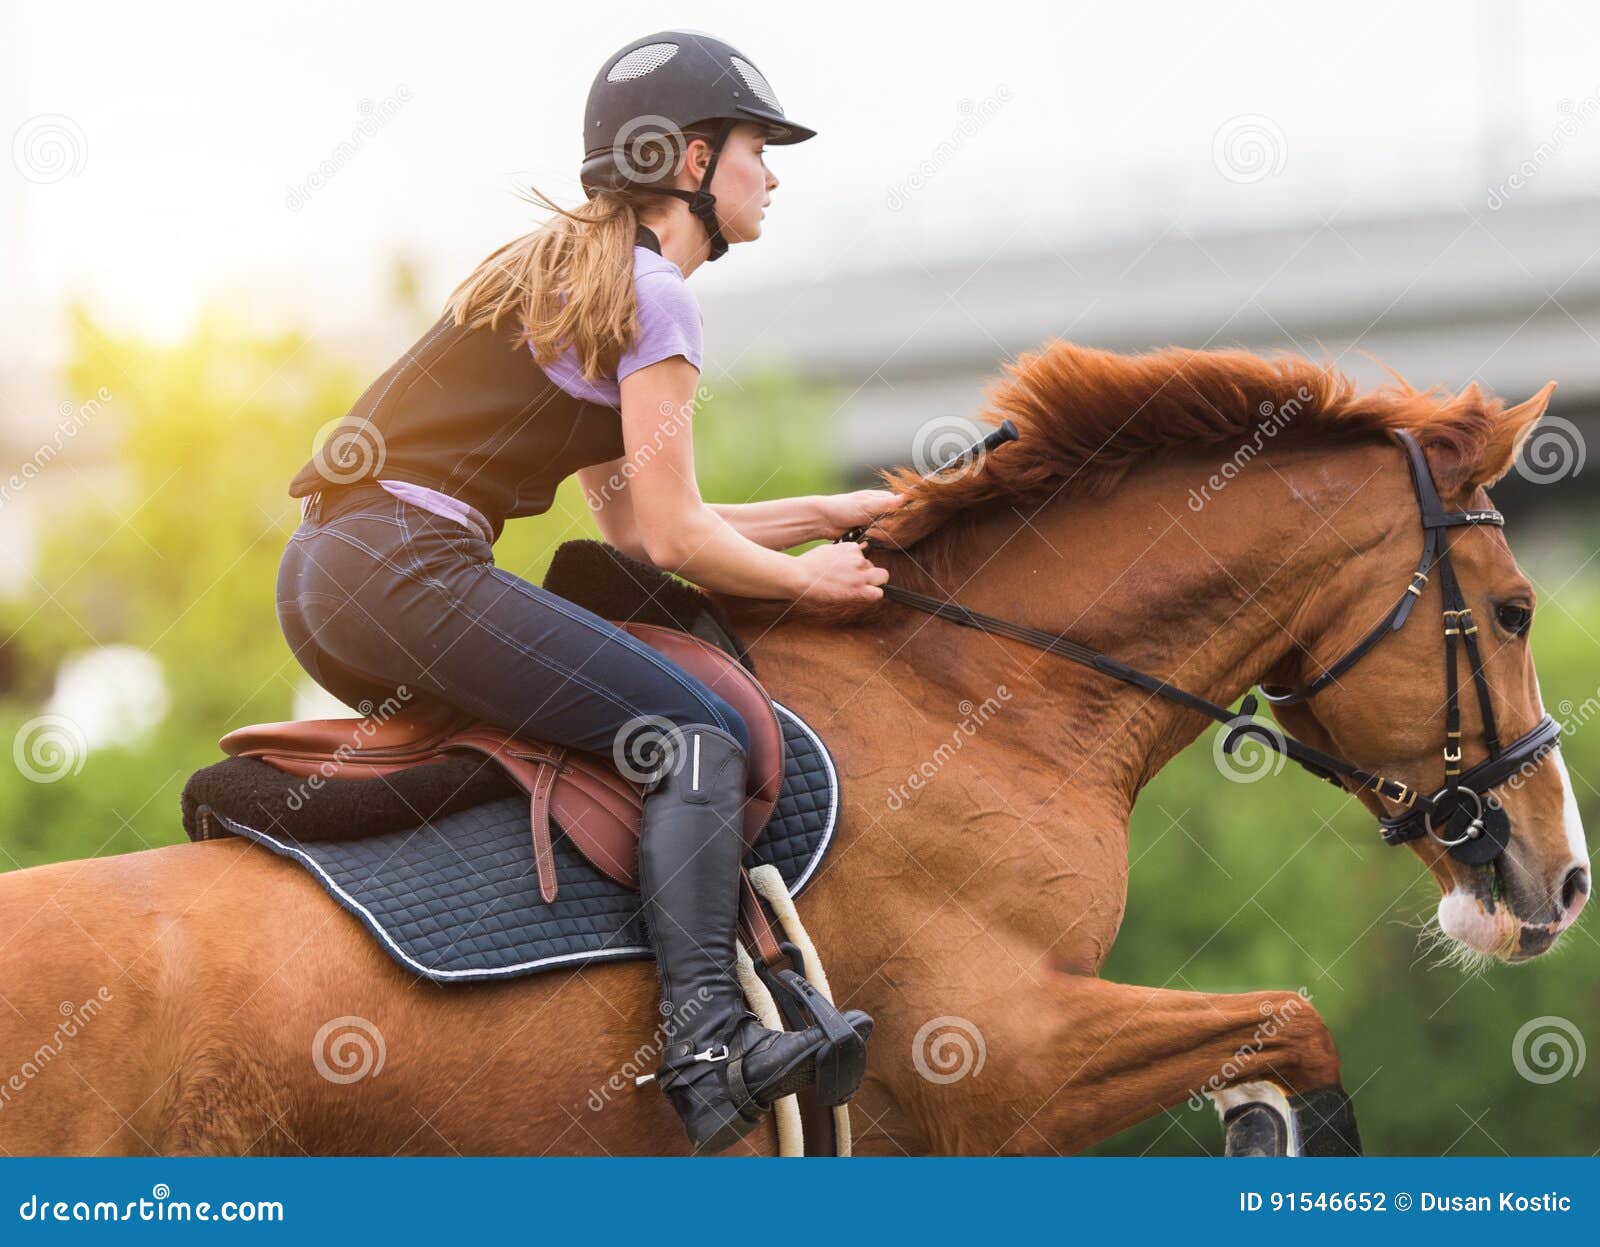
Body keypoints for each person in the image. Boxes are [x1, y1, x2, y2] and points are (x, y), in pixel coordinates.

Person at [274, 29, 895, 1151]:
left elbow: (639, 523)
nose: (776, 171)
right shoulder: (658, 296)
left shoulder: (589, 280)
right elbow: (673, 534)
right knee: (691, 736)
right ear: (695, 162)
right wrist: (808, 585)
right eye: (762, 146)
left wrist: (830, 512)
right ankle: (708, 1046)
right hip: (406, 568)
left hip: (331, 572)